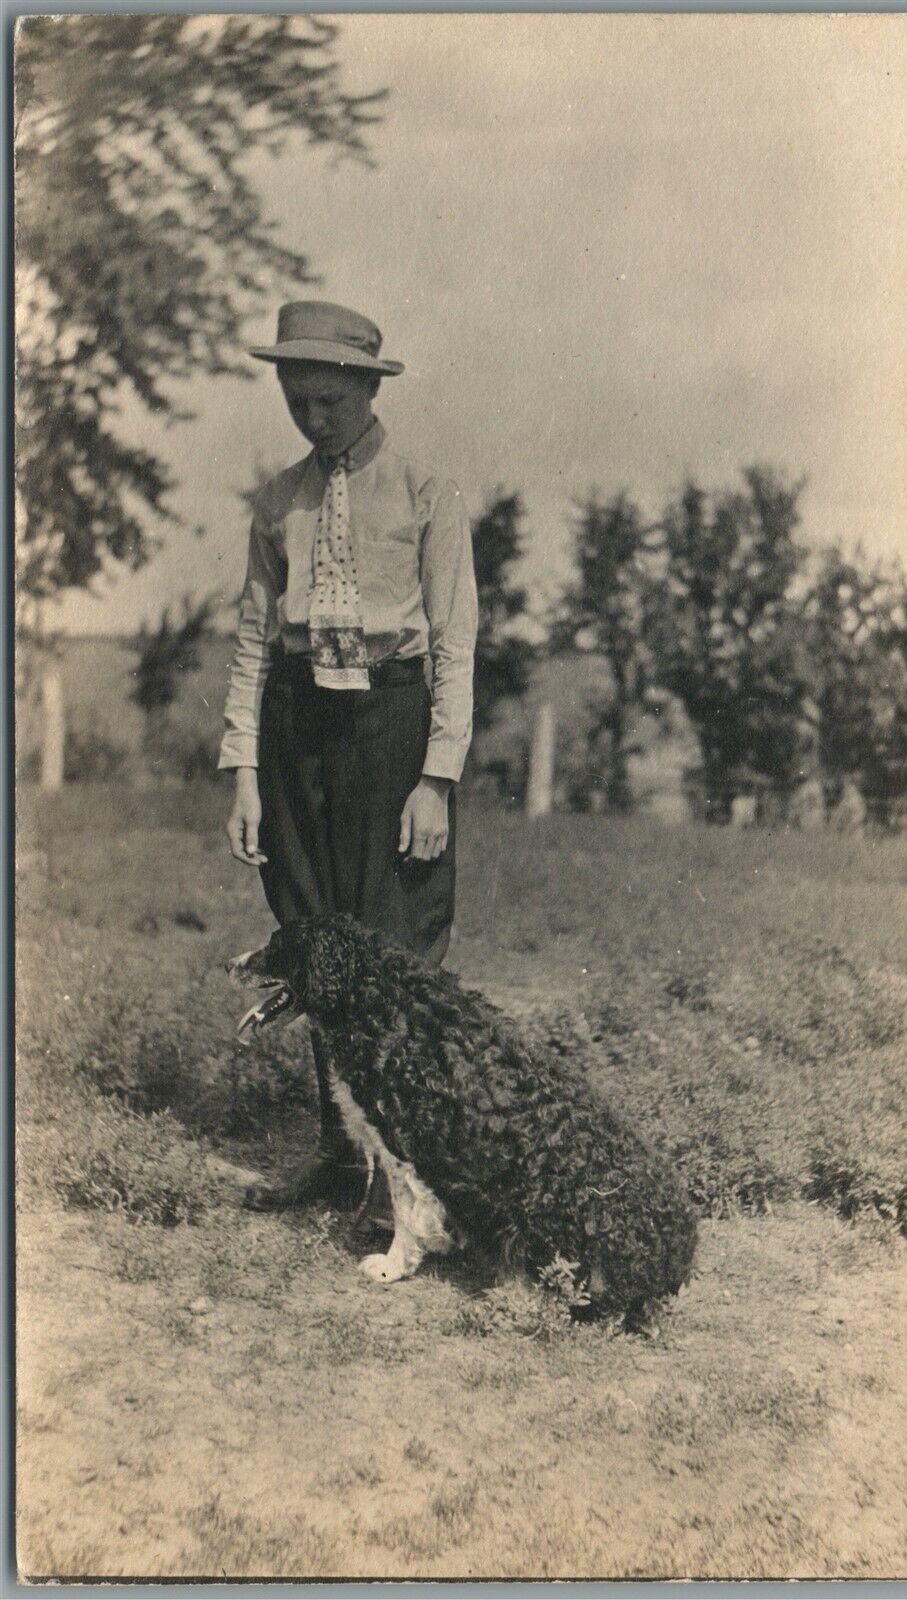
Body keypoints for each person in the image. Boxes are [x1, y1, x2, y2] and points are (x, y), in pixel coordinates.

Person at [220, 301, 478, 1210]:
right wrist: (246, 772)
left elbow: (454, 642)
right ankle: (341, 1157)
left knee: (395, 950)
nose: (314, 418)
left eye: (329, 400)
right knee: (318, 944)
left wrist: (436, 780)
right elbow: (254, 641)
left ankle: (407, 1171)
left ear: (369, 388)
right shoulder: (280, 501)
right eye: (298, 401)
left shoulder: (425, 495)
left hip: (390, 729)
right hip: (297, 733)